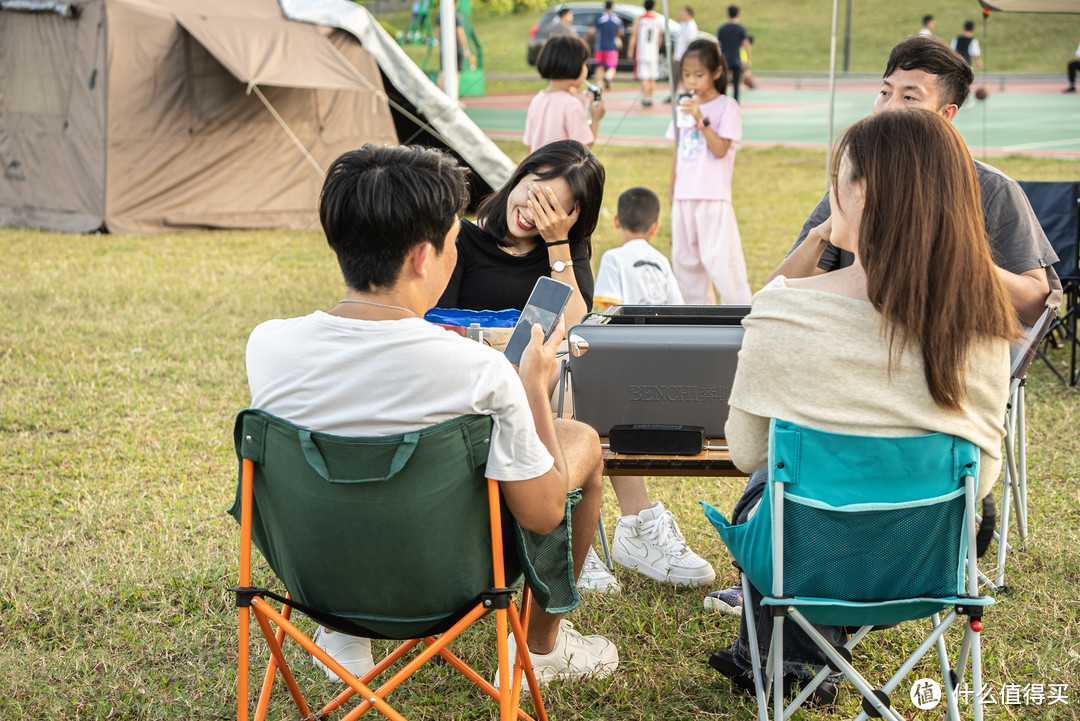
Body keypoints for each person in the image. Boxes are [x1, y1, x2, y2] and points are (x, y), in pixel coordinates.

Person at [246, 143, 619, 685]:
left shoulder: (266, 345)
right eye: (451, 240)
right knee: (578, 438)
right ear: (424, 257)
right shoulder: (480, 371)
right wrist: (532, 387)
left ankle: (344, 633)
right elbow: (542, 516)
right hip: (445, 586)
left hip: (313, 583)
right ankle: (541, 650)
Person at [709, 109, 1018, 704]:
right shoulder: (983, 322)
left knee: (776, 489)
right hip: (929, 558)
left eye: (838, 178)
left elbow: (746, 452)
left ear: (863, 191)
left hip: (803, 555)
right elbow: (983, 477)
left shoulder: (785, 309)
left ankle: (784, 654)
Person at [769, 35, 1057, 328]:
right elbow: (777, 295)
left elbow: (1036, 307)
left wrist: (952, 254)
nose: (889, 108)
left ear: (946, 114)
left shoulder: (992, 189)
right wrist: (824, 232)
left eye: (909, 97)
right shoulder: (855, 181)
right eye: (884, 92)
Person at [579, 188, 714, 593]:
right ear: (655, 227)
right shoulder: (661, 261)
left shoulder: (613, 257)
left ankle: (623, 533)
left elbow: (602, 313)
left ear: (616, 223)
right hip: (664, 361)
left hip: (626, 362)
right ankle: (638, 529)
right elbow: (679, 314)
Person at [437, 139, 603, 335]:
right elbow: (439, 328)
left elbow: (574, 333)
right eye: (533, 195)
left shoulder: (567, 248)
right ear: (520, 176)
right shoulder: (459, 238)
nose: (532, 214)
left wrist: (557, 243)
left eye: (550, 210)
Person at [665, 39, 752, 306]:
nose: (692, 81)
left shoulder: (728, 107)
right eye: (687, 74)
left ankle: (741, 316)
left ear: (716, 72)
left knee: (723, 264)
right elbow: (678, 154)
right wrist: (672, 191)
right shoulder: (683, 107)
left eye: (699, 74)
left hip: (713, 197)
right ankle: (697, 320)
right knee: (685, 266)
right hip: (684, 196)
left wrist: (701, 120)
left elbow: (720, 150)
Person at [524, 36, 606, 153]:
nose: (586, 68)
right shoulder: (571, 104)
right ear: (573, 66)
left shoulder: (537, 100)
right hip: (562, 171)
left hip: (537, 170)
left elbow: (529, 147)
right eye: (584, 63)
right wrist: (596, 119)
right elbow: (583, 150)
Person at [627, 0, 663, 107]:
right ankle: (650, 97)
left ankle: (645, 97)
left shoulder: (639, 19)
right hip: (653, 52)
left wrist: (630, 49)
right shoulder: (658, 20)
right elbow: (659, 39)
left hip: (642, 51)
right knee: (652, 77)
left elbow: (634, 35)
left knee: (645, 76)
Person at [716, 5, 750, 102]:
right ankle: (735, 104)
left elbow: (719, 45)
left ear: (728, 14)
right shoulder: (741, 29)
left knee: (723, 83)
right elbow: (746, 44)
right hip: (736, 59)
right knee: (736, 85)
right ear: (738, 14)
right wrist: (748, 59)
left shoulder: (722, 29)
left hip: (725, 59)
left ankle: (722, 102)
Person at [586, 1, 624, 90]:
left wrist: (585, 38)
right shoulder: (617, 18)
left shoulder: (600, 17)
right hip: (612, 47)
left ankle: (599, 85)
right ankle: (608, 76)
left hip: (600, 47)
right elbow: (621, 32)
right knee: (612, 67)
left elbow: (592, 30)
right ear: (612, 7)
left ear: (604, 7)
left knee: (599, 66)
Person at [671, 6, 698, 97]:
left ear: (688, 14)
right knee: (675, 75)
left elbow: (690, 43)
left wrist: (689, 56)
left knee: (686, 76)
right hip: (678, 55)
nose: (681, 15)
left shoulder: (691, 26)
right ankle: (673, 94)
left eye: (683, 13)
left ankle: (688, 93)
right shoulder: (682, 24)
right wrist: (675, 54)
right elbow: (678, 41)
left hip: (685, 56)